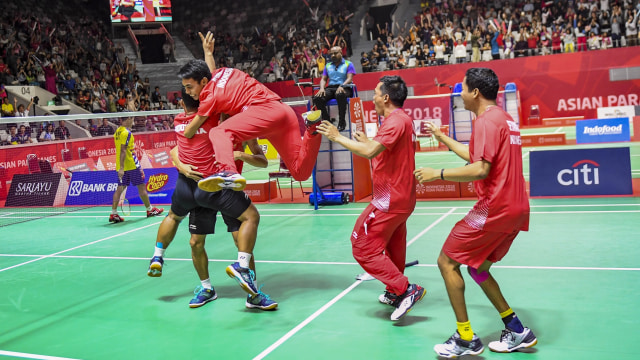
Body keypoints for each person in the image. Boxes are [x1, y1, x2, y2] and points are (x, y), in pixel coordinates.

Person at [414, 68, 537, 358]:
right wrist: (443, 138)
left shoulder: (484, 121)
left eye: (463, 89)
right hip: (516, 208)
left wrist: (437, 173)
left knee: (446, 263)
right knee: (477, 269)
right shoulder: (504, 119)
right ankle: (516, 328)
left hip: (494, 207)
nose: (460, 95)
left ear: (475, 93)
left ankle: (466, 337)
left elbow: (480, 169)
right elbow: (476, 156)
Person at [147, 89, 277, 310]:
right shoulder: (207, 124)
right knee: (195, 242)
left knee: (242, 242)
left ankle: (253, 294)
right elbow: (175, 151)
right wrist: (183, 168)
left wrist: (240, 155)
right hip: (203, 186)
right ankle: (207, 288)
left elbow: (262, 162)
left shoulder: (244, 129)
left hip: (228, 190)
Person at [316, 75, 425, 322]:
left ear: (386, 97)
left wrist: (336, 136)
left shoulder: (396, 121)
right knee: (393, 246)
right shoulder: (401, 120)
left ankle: (406, 289)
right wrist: (369, 142)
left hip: (389, 199)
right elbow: (382, 153)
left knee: (362, 245)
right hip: (403, 198)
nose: (373, 97)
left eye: (376, 93)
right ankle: (394, 291)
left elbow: (369, 152)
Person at [181, 32, 322, 193]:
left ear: (203, 82)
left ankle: (228, 172)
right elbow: (210, 70)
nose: (188, 92)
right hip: (283, 113)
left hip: (264, 111)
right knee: (300, 173)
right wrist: (208, 53)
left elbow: (190, 131)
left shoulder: (209, 96)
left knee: (219, 132)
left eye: (189, 87)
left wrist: (182, 131)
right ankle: (312, 129)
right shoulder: (221, 73)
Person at [109, 116, 163, 223]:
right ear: (127, 120)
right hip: (131, 165)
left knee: (120, 188)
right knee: (141, 186)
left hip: (121, 165)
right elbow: (124, 150)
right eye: (131, 119)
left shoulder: (118, 132)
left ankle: (113, 213)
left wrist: (120, 168)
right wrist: (122, 168)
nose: (132, 121)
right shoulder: (127, 133)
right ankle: (149, 210)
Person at [312, 46, 356, 132]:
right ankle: (327, 122)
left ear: (341, 53)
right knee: (317, 98)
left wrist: (342, 86)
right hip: (331, 88)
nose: (333, 55)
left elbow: (349, 79)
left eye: (335, 53)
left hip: (344, 87)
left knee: (339, 94)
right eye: (331, 54)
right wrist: (321, 88)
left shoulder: (348, 64)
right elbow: (323, 79)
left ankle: (342, 122)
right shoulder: (328, 65)